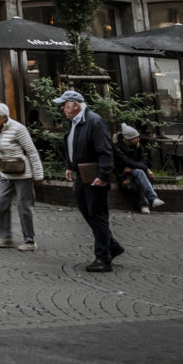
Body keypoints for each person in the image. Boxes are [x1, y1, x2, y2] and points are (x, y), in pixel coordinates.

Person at [55, 89, 125, 272]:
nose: (62, 107)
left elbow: (105, 150)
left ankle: (103, 259)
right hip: (82, 175)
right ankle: (112, 246)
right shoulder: (75, 122)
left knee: (98, 216)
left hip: (93, 177)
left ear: (75, 104)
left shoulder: (93, 121)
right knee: (88, 213)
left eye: (64, 104)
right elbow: (74, 146)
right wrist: (70, 166)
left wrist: (102, 176)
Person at [0, 101, 43, 250]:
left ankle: (30, 241)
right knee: (2, 203)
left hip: (23, 174)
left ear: (5, 116)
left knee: (24, 207)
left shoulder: (18, 129)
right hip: (6, 173)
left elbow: (31, 151)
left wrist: (38, 175)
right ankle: (5, 237)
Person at [113, 125, 165, 214]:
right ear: (128, 139)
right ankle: (152, 199)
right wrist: (146, 169)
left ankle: (145, 204)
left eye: (138, 137)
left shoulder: (137, 146)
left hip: (135, 171)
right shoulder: (118, 148)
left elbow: (144, 160)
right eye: (135, 138)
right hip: (124, 173)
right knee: (139, 173)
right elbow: (127, 162)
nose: (138, 139)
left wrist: (141, 167)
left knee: (139, 174)